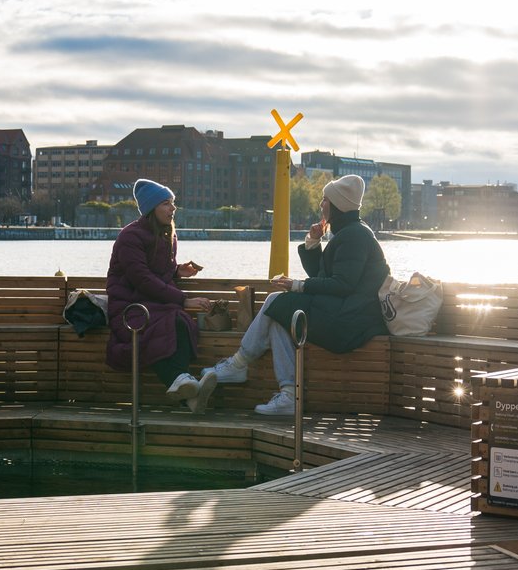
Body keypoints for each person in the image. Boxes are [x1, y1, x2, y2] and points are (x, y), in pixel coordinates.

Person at [206, 174, 390, 415]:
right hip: (342, 312)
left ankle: (240, 364)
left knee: (275, 302)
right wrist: (313, 242)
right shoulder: (349, 232)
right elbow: (326, 278)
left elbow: (342, 285)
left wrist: (297, 286)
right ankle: (289, 395)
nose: (321, 204)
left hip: (350, 321)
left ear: (337, 205)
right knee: (279, 316)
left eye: (326, 199)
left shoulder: (354, 236)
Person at [105, 178, 218, 412]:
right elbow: (142, 279)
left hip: (152, 302)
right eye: (166, 203)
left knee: (180, 320)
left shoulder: (167, 236)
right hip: (129, 307)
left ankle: (188, 392)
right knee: (172, 320)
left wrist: (177, 270)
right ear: (151, 208)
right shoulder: (130, 237)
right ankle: (183, 381)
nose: (172, 209)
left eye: (173, 203)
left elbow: (156, 272)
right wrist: (184, 300)